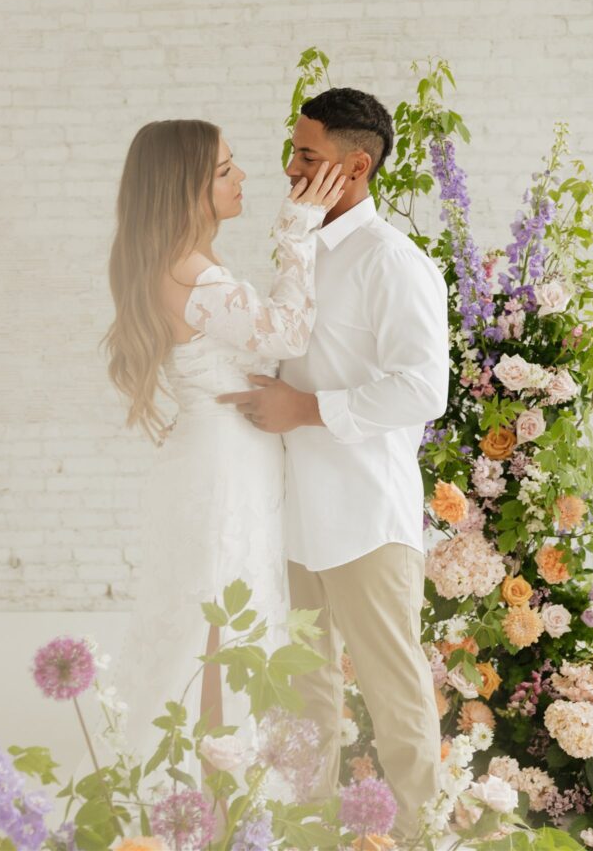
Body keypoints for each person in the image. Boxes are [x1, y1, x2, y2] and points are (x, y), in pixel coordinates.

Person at [218, 88, 449, 844]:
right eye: (292, 151)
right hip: (292, 516)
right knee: (302, 697)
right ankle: (304, 836)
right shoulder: (303, 247)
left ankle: (424, 836)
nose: (289, 168)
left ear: (355, 166)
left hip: (364, 518)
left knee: (395, 695)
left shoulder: (394, 262)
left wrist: (305, 409)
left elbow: (424, 388)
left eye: (306, 156)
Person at [100, 118, 344, 776]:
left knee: (220, 614)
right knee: (221, 620)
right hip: (223, 464)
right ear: (185, 187)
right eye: (224, 170)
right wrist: (297, 228)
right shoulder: (190, 269)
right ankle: (214, 787)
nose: (243, 179)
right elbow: (287, 334)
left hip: (222, 451)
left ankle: (213, 781)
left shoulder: (178, 262)